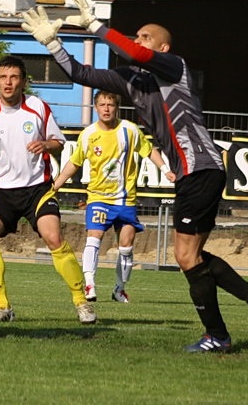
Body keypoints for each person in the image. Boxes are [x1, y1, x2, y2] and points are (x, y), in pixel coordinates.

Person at [22, 0, 248, 352]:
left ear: (163, 46)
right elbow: (80, 73)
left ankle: (218, 335)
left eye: (144, 36)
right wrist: (53, 43)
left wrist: (95, 26)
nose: (138, 40)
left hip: (200, 166)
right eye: (136, 35)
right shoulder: (131, 80)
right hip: (194, 173)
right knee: (194, 257)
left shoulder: (174, 65)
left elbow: (136, 53)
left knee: (187, 257)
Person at [0, 55, 96, 324]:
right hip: (0, 192)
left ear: (23, 81)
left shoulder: (37, 108)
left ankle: (82, 302)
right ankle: (2, 306)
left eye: (14, 77)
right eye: (3, 77)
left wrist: (45, 145)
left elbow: (58, 141)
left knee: (53, 237)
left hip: (37, 189)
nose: (8, 83)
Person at [52, 90, 176, 304]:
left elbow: (149, 151)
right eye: (102, 105)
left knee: (126, 246)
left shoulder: (130, 130)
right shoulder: (89, 134)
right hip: (99, 198)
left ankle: (119, 289)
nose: (106, 109)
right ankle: (89, 284)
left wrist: (165, 169)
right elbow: (75, 162)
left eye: (110, 104)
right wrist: (56, 184)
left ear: (116, 107)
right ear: (96, 107)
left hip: (125, 200)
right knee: (94, 238)